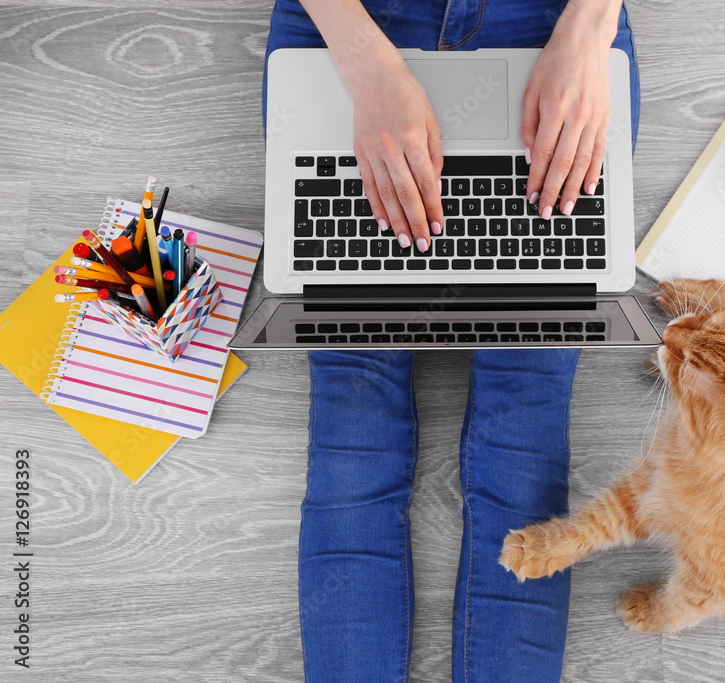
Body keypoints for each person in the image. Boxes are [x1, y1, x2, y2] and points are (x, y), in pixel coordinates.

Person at [262, 0, 640, 680]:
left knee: (526, 420)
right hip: (350, 24)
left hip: (552, 25)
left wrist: (589, 28)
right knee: (355, 415)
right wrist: (367, 66)